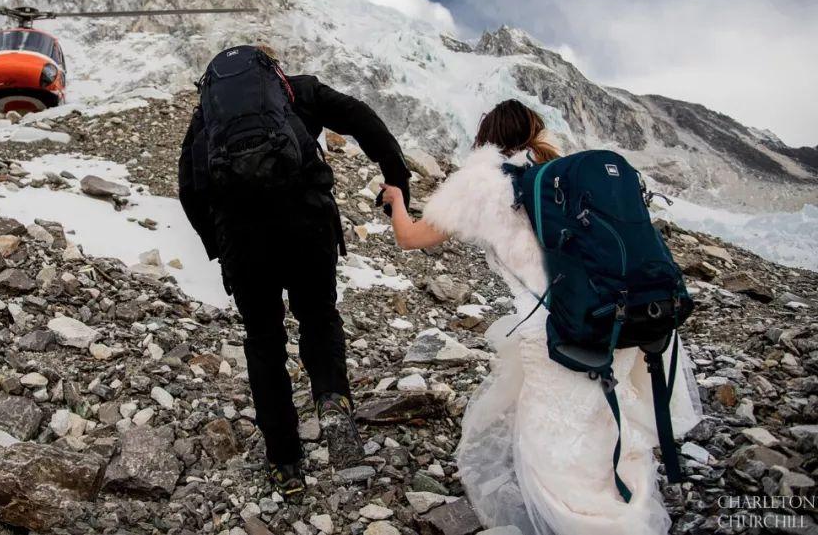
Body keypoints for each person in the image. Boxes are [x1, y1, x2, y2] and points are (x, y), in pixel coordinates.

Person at [380, 99, 701, 535]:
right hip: (617, 317)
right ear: (535, 131)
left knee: (555, 447)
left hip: (555, 333)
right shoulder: (565, 176)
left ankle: (594, 525)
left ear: (485, 139)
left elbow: (411, 237)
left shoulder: (480, 183)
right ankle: (631, 508)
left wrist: (397, 199)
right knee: (611, 424)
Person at [179, 44, 411, 496]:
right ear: (272, 71)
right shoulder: (297, 92)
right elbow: (364, 119)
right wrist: (396, 177)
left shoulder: (206, 120)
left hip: (244, 244)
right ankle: (330, 398)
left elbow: (190, 189)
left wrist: (219, 247)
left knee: (264, 342)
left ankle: (285, 464)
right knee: (319, 316)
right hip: (308, 225)